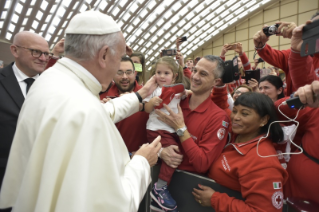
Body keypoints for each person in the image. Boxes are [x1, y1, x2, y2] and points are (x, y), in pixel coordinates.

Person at [0, 11, 161, 212]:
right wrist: (142, 162)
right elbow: (113, 204)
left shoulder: (51, 79)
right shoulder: (83, 108)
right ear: (103, 55)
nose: (118, 69)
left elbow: (102, 112)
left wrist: (140, 94)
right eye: (118, 59)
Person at [152, 55, 230, 211]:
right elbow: (150, 131)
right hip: (157, 183)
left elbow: (201, 164)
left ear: (216, 82)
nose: (195, 76)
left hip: (188, 190)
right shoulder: (175, 101)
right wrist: (161, 151)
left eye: (203, 74)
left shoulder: (218, 117)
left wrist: (181, 128)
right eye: (195, 70)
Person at [193, 92, 288, 211]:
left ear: (263, 120)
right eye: (235, 111)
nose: (235, 117)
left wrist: (215, 199)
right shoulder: (237, 134)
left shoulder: (263, 161)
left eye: (245, 113)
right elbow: (219, 104)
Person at [0, 31, 50, 196]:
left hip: (43, 182)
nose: (43, 58)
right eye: (36, 52)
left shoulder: (53, 86)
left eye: (46, 53)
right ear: (15, 50)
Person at [144, 56, 184, 211]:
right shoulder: (153, 91)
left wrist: (188, 92)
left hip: (171, 130)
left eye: (166, 73)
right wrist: (151, 103)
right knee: (173, 153)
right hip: (156, 130)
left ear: (174, 75)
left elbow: (186, 92)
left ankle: (156, 200)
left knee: (173, 154)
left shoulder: (176, 90)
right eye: (158, 72)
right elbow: (146, 109)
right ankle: (160, 187)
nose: (161, 76)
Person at [100, 56, 149, 154]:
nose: (124, 77)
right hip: (112, 159)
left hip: (141, 158)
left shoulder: (148, 97)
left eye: (128, 72)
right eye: (119, 72)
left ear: (135, 73)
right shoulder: (102, 99)